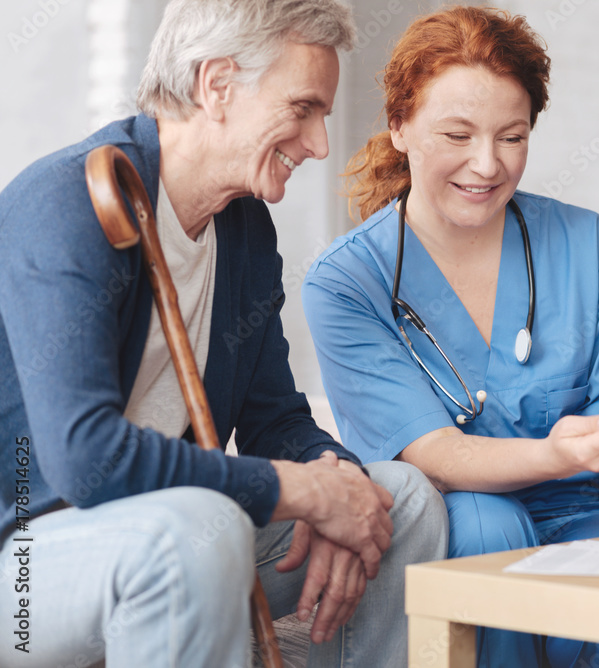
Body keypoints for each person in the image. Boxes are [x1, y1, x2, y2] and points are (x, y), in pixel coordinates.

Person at [0, 1, 447, 666]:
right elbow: (83, 459)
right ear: (217, 86)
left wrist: (340, 487)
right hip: (29, 564)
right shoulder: (67, 202)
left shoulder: (242, 228)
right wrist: (299, 492)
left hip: (169, 531)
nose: (319, 144)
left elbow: (277, 420)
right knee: (192, 526)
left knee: (401, 501)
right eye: (303, 109)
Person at [302, 6, 599, 667]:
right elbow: (437, 457)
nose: (487, 165)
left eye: (511, 137)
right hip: (462, 520)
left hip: (586, 511)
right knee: (487, 523)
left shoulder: (590, 247)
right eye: (457, 135)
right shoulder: (348, 282)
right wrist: (565, 452)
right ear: (399, 127)